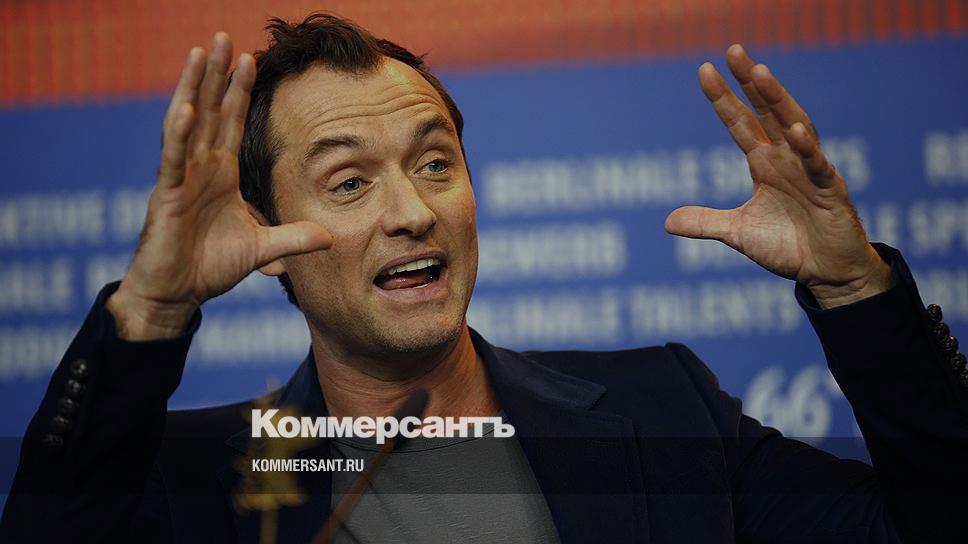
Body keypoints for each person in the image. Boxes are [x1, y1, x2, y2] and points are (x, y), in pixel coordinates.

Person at [2, 12, 966, 544]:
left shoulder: (664, 409)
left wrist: (855, 291)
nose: (412, 211)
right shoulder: (194, 482)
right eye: (349, 181)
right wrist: (152, 309)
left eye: (435, 162)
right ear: (268, 233)